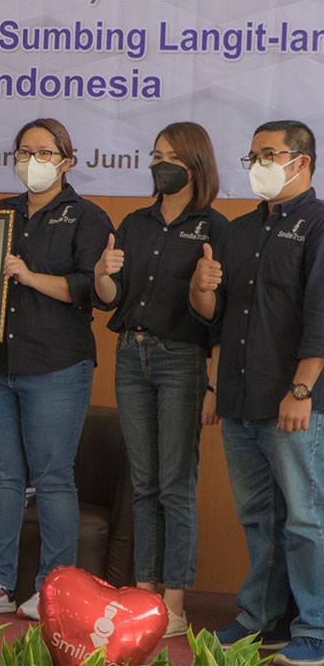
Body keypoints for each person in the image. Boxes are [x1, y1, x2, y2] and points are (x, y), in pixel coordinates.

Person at [0, 118, 113, 620]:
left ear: (66, 161)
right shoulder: (1, 212)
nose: (33, 160)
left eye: (44, 152)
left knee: (53, 478)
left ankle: (54, 588)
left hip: (56, 364)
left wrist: (29, 276)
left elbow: (89, 290)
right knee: (3, 477)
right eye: (24, 151)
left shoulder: (87, 216)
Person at [191, 120, 324, 664]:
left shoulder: (318, 225)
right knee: (258, 514)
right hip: (240, 397)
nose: (257, 165)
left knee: (306, 517)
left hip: (294, 400)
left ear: (302, 162)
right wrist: (201, 292)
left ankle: (314, 625)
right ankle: (263, 617)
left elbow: (321, 317)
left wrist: (301, 390)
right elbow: (217, 320)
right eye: (252, 156)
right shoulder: (239, 230)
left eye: (268, 154)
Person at [93, 122, 227, 637]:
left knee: (176, 484)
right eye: (154, 155)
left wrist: (202, 286)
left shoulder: (214, 227)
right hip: (131, 354)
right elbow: (109, 296)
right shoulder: (135, 221)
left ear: (195, 164)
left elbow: (216, 314)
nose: (158, 163)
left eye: (169, 155)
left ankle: (174, 604)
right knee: (144, 483)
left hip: (182, 360)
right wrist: (105, 272)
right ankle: (144, 594)